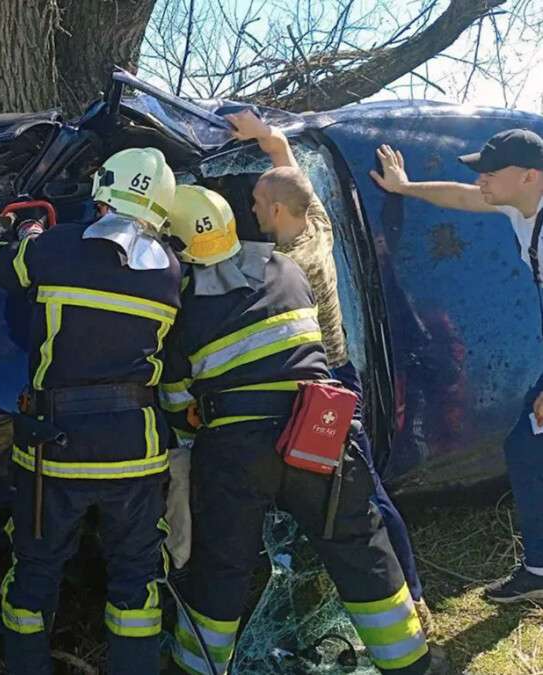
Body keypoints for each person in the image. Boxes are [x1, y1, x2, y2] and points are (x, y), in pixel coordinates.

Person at [162, 187, 435, 675]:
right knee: (358, 546)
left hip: (239, 448)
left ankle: (194, 668)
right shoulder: (284, 268)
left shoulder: (184, 306)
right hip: (321, 431)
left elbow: (178, 399)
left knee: (223, 566)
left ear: (178, 244)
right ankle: (411, 662)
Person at [221, 109, 432, 631]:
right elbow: (287, 162)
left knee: (362, 496)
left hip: (320, 391)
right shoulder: (317, 223)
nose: (251, 210)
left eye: (255, 204)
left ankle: (411, 597)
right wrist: (265, 137)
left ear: (273, 208)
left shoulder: (287, 265)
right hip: (342, 376)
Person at [0, 147, 182, 675]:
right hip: (136, 454)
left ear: (104, 192)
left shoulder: (59, 249)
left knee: (35, 570)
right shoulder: (169, 270)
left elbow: (0, 266)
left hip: (56, 451)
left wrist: (22, 231)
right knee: (137, 575)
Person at [372, 129, 543, 603]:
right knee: (528, 443)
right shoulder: (521, 205)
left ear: (530, 175)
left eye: (491, 172)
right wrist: (404, 187)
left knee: (530, 442)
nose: (481, 179)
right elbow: (465, 197)